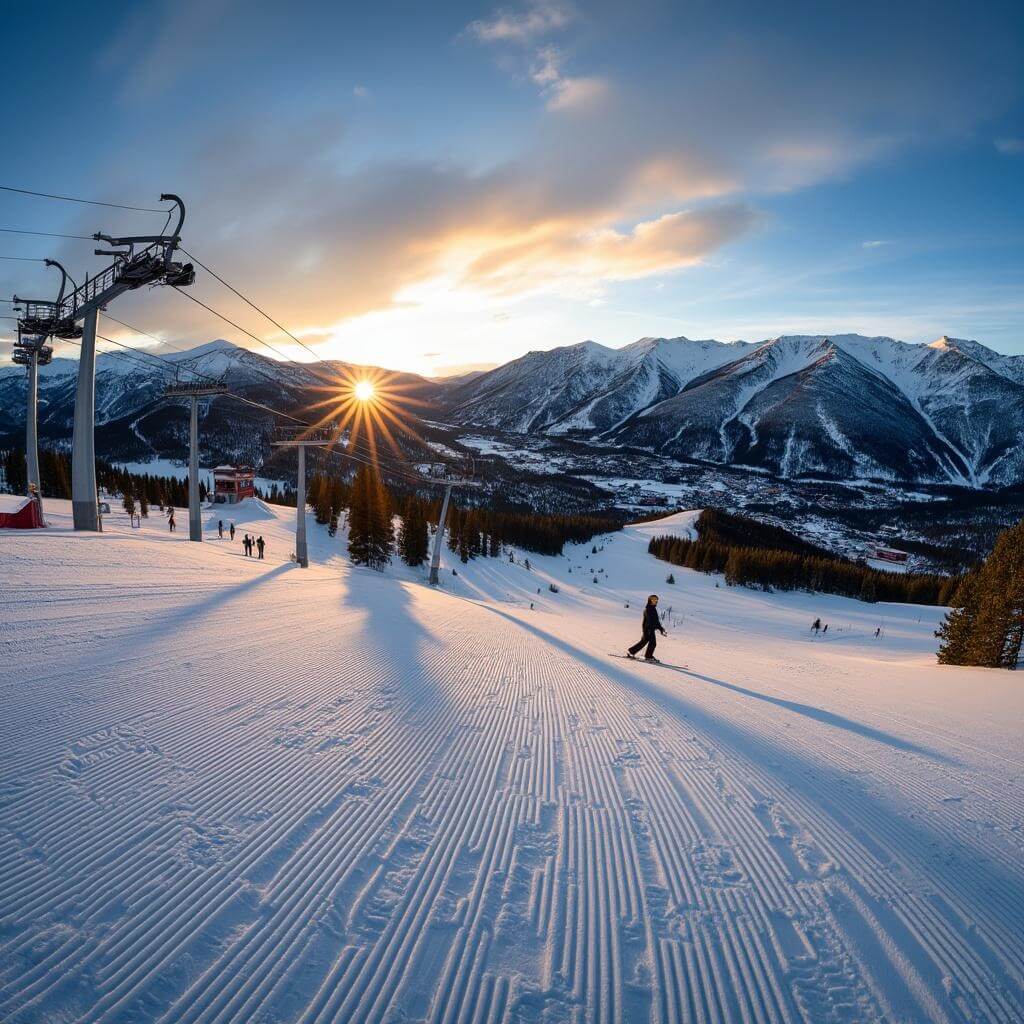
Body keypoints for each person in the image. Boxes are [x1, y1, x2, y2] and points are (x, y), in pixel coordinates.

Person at [627, 594, 667, 662]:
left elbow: (656, 621)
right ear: (650, 600)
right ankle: (648, 656)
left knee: (644, 642)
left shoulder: (653, 608)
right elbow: (650, 620)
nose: (655, 601)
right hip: (648, 629)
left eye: (656, 600)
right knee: (652, 643)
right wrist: (653, 629)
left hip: (649, 629)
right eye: (653, 599)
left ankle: (631, 652)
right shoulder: (648, 609)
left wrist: (661, 629)